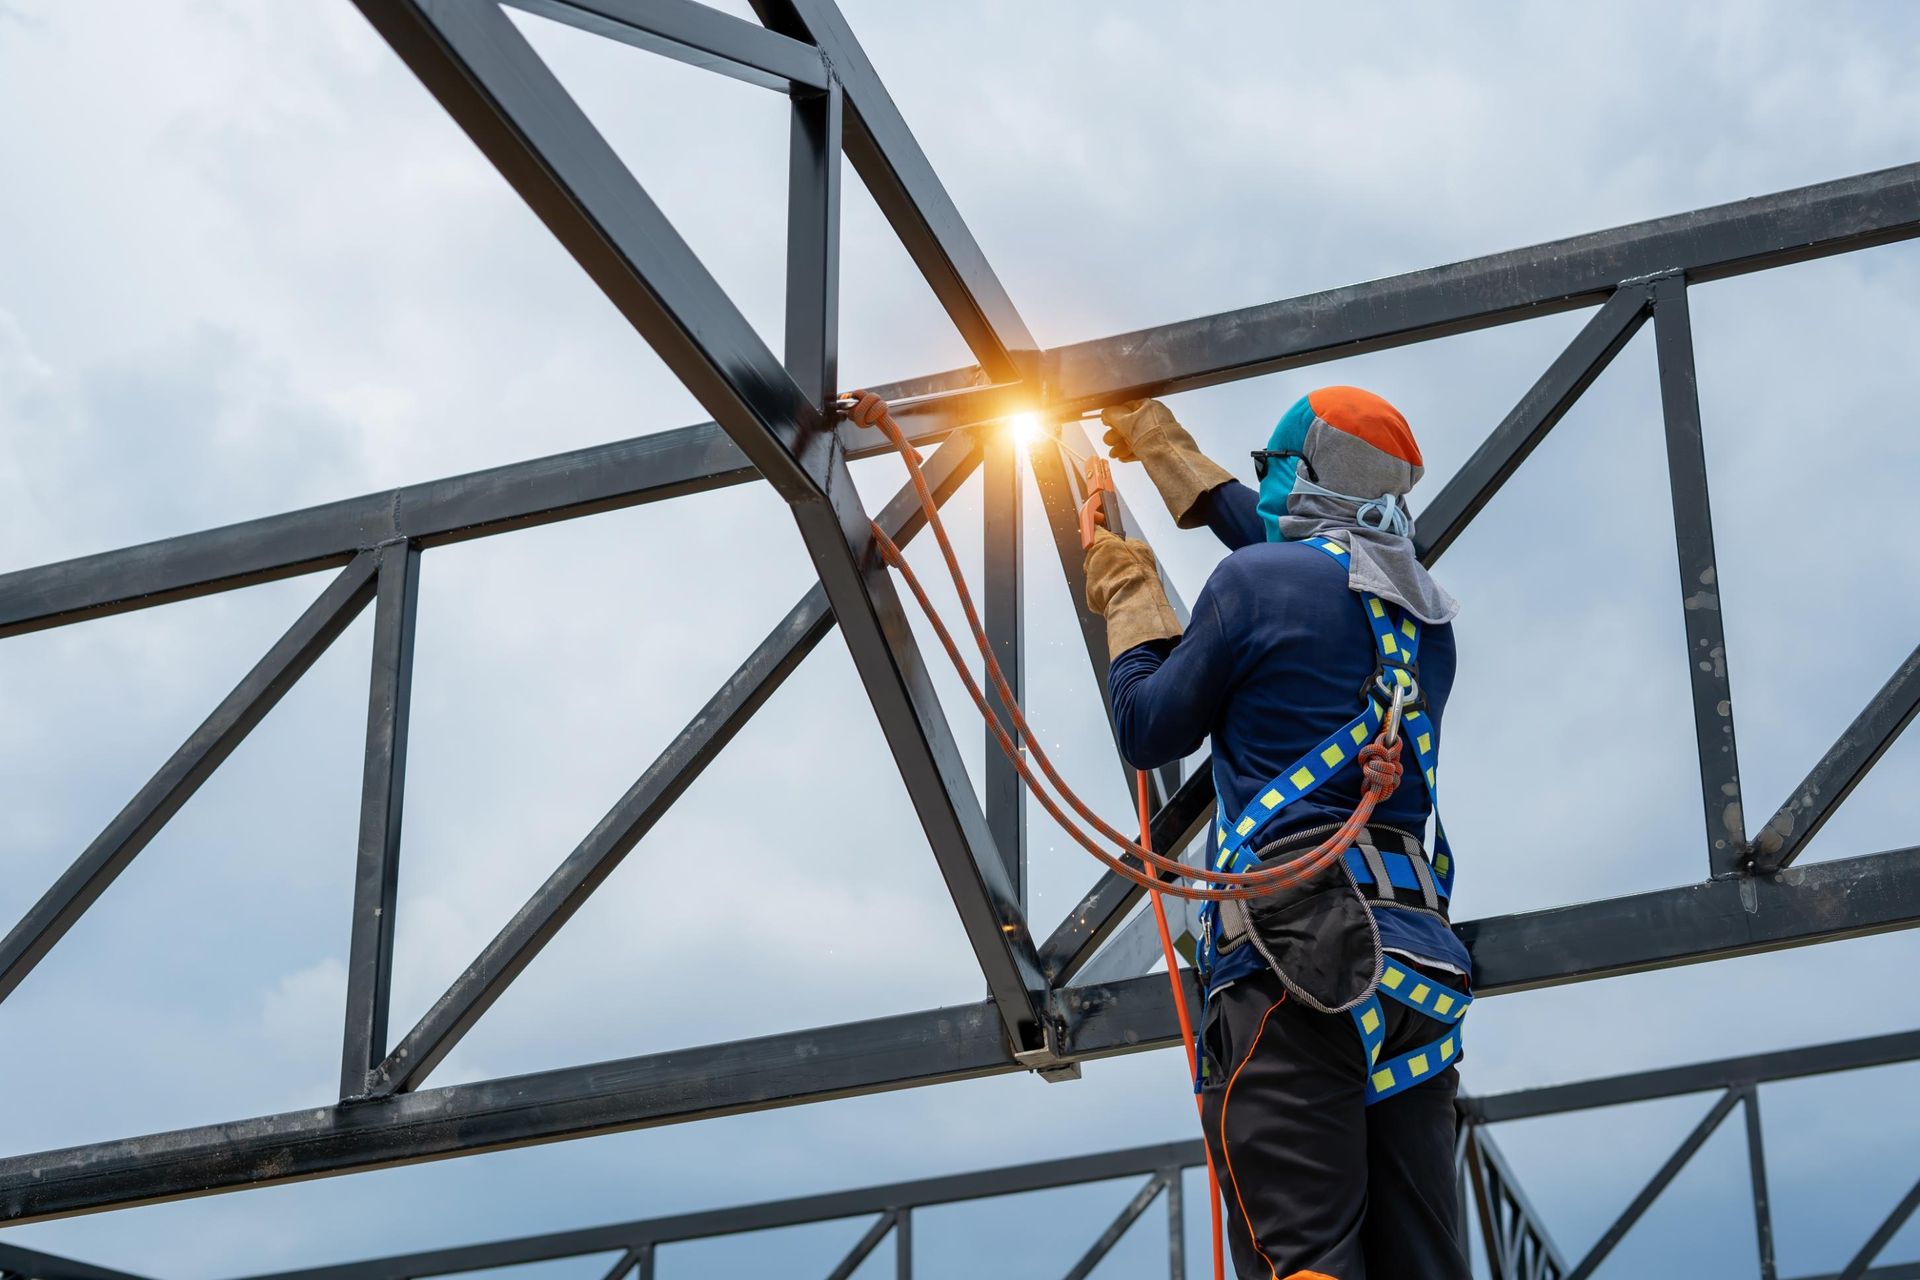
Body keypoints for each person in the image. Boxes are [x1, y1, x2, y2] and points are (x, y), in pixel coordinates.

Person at [1085, 388, 1472, 1280]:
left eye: (1273, 467)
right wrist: (1165, 453)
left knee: (1302, 1258)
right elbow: (1297, 568)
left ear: (1303, 474)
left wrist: (1129, 589)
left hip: (1297, 955)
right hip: (1419, 973)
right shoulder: (1426, 617)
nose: (1263, 486)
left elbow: (1148, 726)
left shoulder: (1254, 584)